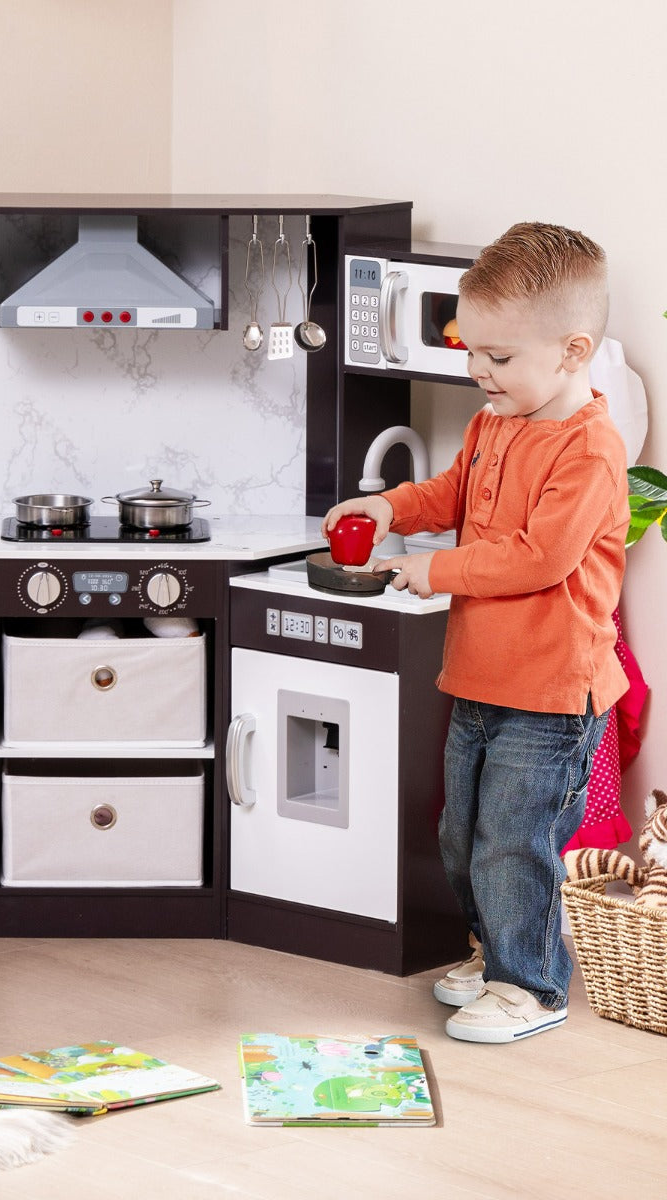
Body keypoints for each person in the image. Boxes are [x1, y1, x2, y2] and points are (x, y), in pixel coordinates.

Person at [322, 222, 629, 1043]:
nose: (476, 371)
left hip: (554, 694)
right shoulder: (496, 423)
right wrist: (391, 507)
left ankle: (531, 987)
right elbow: (453, 493)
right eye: (470, 349)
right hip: (480, 678)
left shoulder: (591, 452)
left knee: (513, 843)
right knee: (461, 838)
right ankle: (495, 953)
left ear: (571, 351)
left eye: (498, 358)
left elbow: (537, 558)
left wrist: (436, 571)